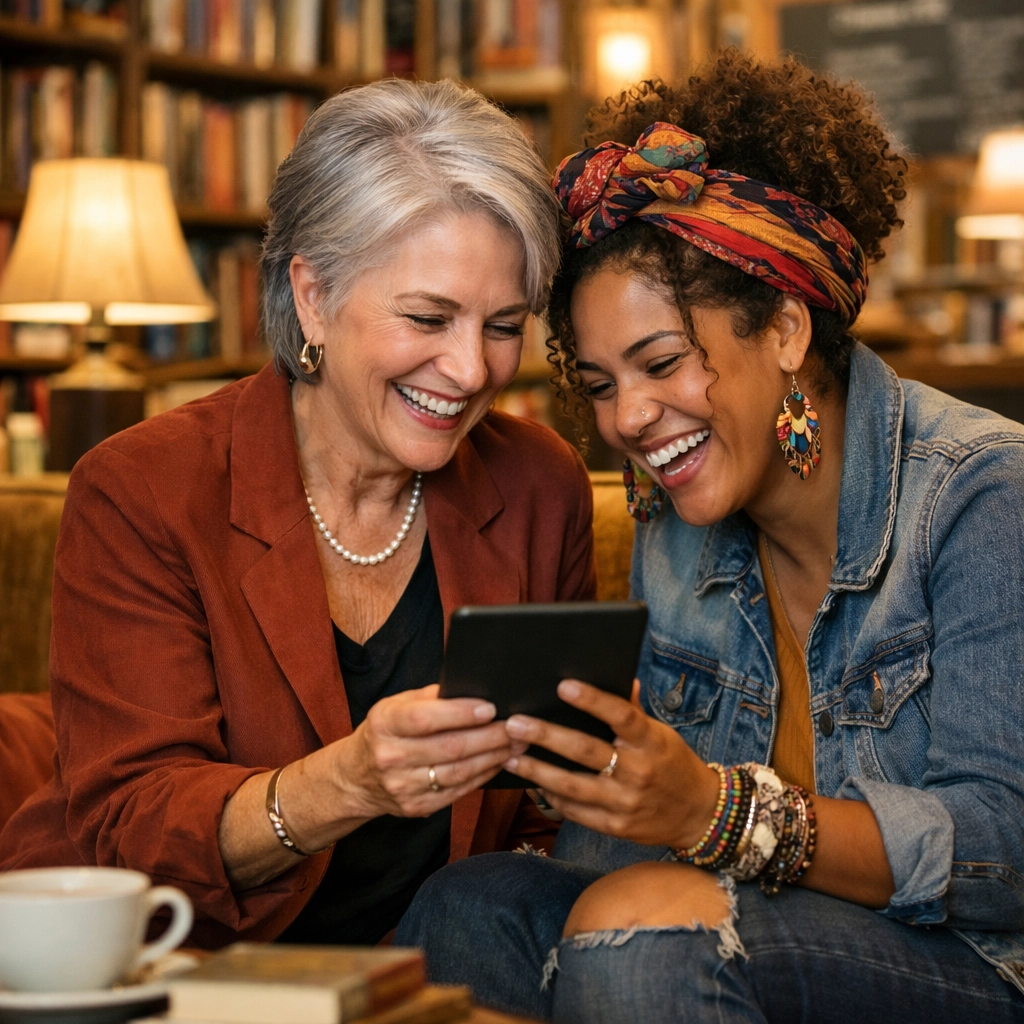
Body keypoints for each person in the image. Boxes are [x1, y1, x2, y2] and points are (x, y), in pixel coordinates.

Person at [397, 53, 1024, 1022]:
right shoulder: (676, 520)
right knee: (466, 907)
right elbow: (645, 843)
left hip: (969, 961)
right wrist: (581, 778)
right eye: (600, 384)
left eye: (659, 362)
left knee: (643, 929)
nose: (630, 419)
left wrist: (715, 814)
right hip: (746, 920)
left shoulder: (980, 492)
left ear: (781, 329)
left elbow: (1003, 852)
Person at [0, 79, 596, 949]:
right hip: (177, 960)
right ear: (312, 295)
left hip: (441, 963)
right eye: (428, 316)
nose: (471, 370)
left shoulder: (541, 483)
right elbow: (134, 826)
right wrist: (349, 780)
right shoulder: (145, 489)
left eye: (503, 325)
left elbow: (549, 804)